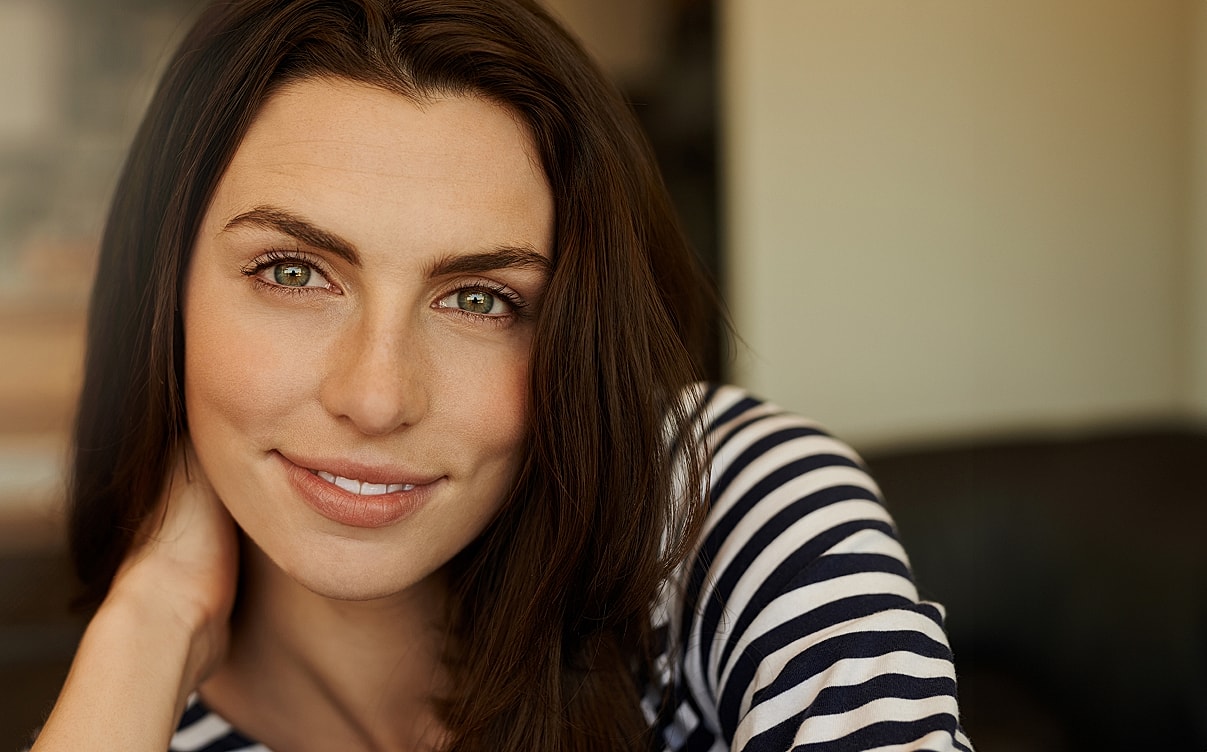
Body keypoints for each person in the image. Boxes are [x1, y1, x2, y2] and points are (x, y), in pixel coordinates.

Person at [30, 1, 973, 750]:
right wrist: (149, 623)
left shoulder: (719, 499)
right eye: (293, 272)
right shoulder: (135, 722)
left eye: (479, 299)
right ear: (165, 297)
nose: (377, 396)